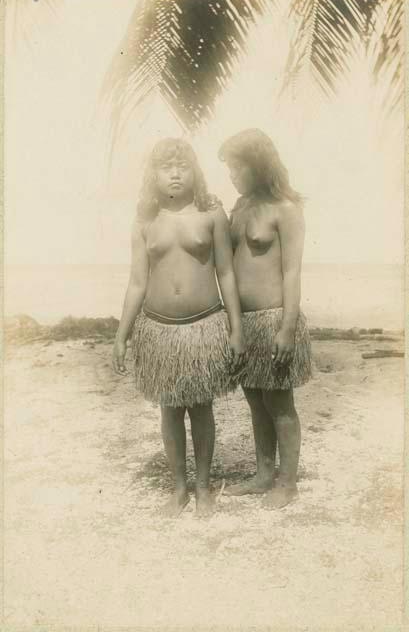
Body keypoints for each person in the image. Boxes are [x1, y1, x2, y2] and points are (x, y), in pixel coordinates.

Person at [112, 138, 245, 518]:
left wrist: (236, 328)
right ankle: (179, 489)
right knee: (169, 410)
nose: (174, 173)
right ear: (152, 175)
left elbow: (227, 274)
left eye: (182, 165)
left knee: (201, 409)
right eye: (166, 166)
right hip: (158, 330)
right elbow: (137, 281)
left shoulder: (211, 215)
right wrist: (122, 335)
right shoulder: (144, 220)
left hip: (204, 325)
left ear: (195, 172)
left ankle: (204, 488)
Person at [218, 128, 312, 508]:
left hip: (274, 319)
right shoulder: (239, 208)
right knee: (255, 402)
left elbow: (292, 272)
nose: (232, 176)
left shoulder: (285, 209)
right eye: (229, 169)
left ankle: (287, 482)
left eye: (237, 167)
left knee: (279, 404)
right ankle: (262, 474)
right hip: (245, 322)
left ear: (258, 164)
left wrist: (287, 328)